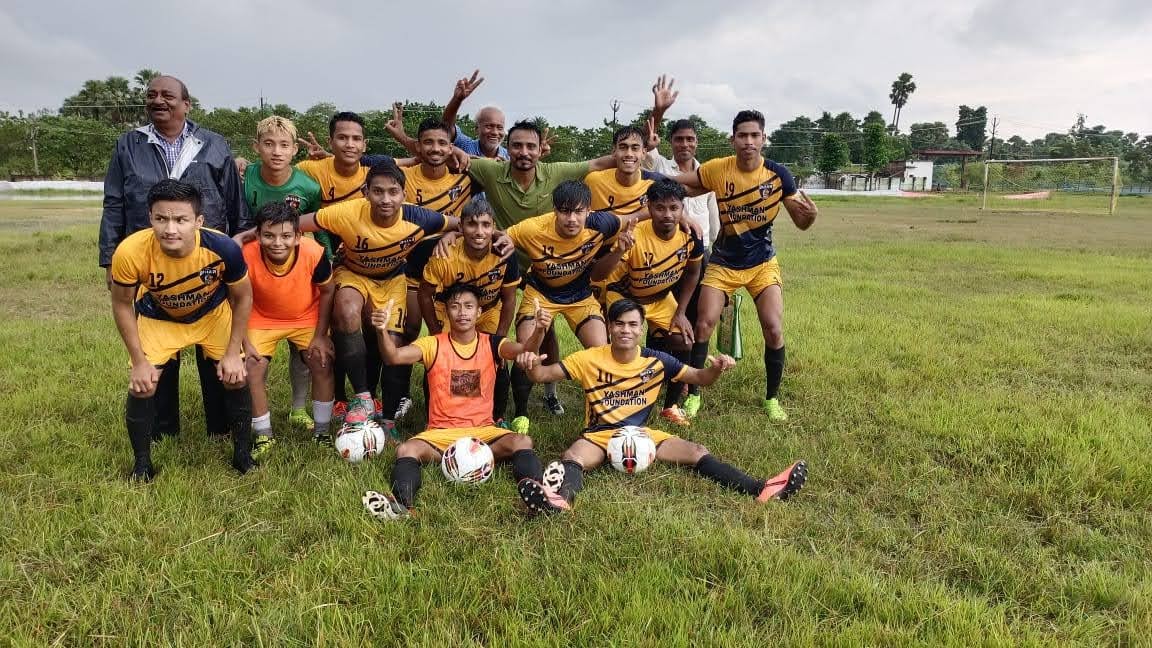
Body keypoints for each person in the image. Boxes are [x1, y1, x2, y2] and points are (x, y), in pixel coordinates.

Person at [514, 298, 807, 514]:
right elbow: (539, 375)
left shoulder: (656, 361)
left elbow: (699, 378)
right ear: (609, 327)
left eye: (632, 324)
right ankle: (559, 501)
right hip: (599, 435)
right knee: (573, 455)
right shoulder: (588, 358)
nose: (626, 330)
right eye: (619, 324)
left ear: (641, 328)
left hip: (642, 436)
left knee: (696, 451)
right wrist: (535, 344)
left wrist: (716, 368)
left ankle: (762, 489)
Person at [236, 160, 460, 428]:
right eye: (377, 191)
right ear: (366, 192)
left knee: (392, 342)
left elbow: (462, 223)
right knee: (347, 310)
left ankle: (388, 419)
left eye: (393, 192)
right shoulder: (346, 212)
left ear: (404, 194)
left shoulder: (419, 217)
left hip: (391, 280)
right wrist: (250, 235)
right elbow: (292, 224)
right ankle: (362, 397)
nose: (385, 199)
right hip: (353, 273)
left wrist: (450, 235)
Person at [100, 75, 249, 440]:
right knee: (158, 340)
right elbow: (115, 201)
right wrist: (109, 257)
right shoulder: (129, 144)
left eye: (168, 95)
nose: (158, 100)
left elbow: (233, 198)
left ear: (187, 104)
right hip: (150, 259)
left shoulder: (214, 143)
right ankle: (163, 429)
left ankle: (220, 426)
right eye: (151, 95)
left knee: (214, 344)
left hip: (207, 260)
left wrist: (237, 246)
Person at [669, 110, 818, 422]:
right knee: (704, 324)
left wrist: (811, 216)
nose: (748, 141)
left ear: (764, 138)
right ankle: (694, 395)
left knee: (773, 328)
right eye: (742, 135)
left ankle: (772, 399)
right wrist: (644, 177)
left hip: (762, 264)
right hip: (724, 262)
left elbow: (802, 223)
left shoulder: (778, 175)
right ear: (732, 139)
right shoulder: (717, 169)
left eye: (754, 135)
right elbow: (680, 184)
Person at [361, 284, 552, 519]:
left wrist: (539, 330)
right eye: (455, 306)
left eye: (469, 306)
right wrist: (381, 331)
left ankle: (538, 494)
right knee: (406, 449)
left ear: (479, 312)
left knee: (522, 440)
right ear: (446, 312)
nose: (462, 312)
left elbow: (524, 349)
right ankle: (402, 504)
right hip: (441, 435)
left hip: (483, 434)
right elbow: (393, 357)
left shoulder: (493, 344)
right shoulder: (432, 344)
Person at [109, 180, 255, 481]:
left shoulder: (223, 247)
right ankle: (142, 465)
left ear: (198, 221)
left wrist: (232, 353)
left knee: (237, 376)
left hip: (211, 315)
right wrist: (138, 362)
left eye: (180, 219)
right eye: (161, 219)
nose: (170, 229)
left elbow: (243, 298)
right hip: (159, 317)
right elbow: (122, 304)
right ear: (150, 218)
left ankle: (243, 453)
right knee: (143, 385)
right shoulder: (130, 251)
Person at [503, 181, 622, 434]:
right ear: (554, 210)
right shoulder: (532, 228)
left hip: (580, 294)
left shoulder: (602, 224)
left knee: (602, 353)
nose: (572, 219)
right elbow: (498, 236)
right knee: (527, 351)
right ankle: (521, 413)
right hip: (541, 292)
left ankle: (598, 412)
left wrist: (686, 217)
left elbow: (638, 217)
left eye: (578, 211)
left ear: (589, 211)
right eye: (565, 211)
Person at [591, 179, 703, 427]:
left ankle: (670, 407)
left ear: (682, 208)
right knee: (622, 347)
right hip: (626, 298)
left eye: (674, 208)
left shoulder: (690, 236)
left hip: (661, 299)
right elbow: (597, 275)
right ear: (649, 207)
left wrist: (681, 312)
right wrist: (618, 251)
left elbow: (693, 272)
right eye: (660, 208)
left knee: (684, 341)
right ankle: (613, 403)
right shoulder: (635, 235)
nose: (667, 215)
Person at [643, 76, 722, 419]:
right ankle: (657, 372)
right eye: (679, 139)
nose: (685, 144)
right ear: (671, 143)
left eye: (690, 139)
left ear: (697, 143)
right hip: (662, 258)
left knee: (691, 320)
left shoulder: (708, 175)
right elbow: (645, 148)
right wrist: (658, 112)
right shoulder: (661, 167)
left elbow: (714, 222)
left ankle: (686, 380)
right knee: (660, 319)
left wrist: (713, 256)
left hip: (699, 257)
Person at [242, 115, 325, 435]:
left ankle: (298, 408)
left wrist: (325, 259)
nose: (276, 151)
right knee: (254, 359)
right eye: (269, 144)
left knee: (303, 353)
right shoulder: (244, 176)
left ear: (294, 150)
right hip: (256, 262)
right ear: (256, 147)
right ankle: (255, 420)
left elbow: (320, 225)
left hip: (297, 267)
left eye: (283, 145)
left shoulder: (308, 186)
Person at [241, 202, 336, 454]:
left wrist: (320, 336)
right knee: (252, 366)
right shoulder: (246, 254)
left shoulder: (313, 252)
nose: (277, 243)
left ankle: (322, 432)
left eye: (285, 236)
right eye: (269, 235)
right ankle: (263, 435)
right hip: (261, 317)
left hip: (305, 315)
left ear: (297, 236)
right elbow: (236, 298)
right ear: (257, 235)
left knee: (322, 360)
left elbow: (328, 291)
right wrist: (244, 341)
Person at [420, 198, 520, 422]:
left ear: (493, 227)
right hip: (451, 310)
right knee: (439, 358)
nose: (479, 231)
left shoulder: (504, 252)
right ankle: (434, 417)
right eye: (472, 224)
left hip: (488, 309)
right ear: (461, 227)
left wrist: (499, 339)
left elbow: (509, 299)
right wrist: (435, 333)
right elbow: (424, 294)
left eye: (485, 225)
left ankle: (497, 417)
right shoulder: (445, 253)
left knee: (497, 359)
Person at [583, 124, 667, 306]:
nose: (629, 153)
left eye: (635, 148)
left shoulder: (655, 184)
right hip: (599, 261)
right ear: (613, 152)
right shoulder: (594, 181)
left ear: (644, 152)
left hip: (639, 265)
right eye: (623, 147)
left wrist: (686, 218)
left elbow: (673, 208)